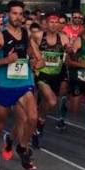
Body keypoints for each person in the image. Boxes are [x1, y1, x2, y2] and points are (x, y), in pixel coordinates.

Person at [0, 0, 40, 170]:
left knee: (32, 118)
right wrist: (6, 60)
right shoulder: (0, 36)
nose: (18, 17)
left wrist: (35, 61)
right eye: (14, 13)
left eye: (20, 13)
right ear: (8, 15)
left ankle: (22, 148)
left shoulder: (26, 34)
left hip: (24, 83)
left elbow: (35, 57)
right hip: (4, 86)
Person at [32, 12, 70, 143]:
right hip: (41, 74)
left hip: (56, 75)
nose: (54, 25)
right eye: (51, 22)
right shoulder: (38, 36)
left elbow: (68, 55)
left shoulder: (64, 38)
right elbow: (30, 46)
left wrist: (70, 51)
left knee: (47, 102)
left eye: (56, 22)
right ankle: (39, 123)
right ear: (46, 24)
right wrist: (36, 57)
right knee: (52, 101)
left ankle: (40, 119)